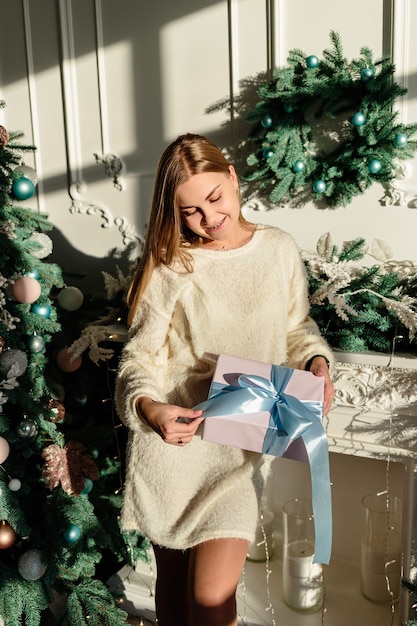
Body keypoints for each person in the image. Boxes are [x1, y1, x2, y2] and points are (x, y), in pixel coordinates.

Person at [115, 133, 335, 626]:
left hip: (240, 446)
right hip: (176, 446)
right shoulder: (173, 263)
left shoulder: (277, 250)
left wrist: (316, 364)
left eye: (214, 197)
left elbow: (296, 330)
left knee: (212, 601)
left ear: (233, 177)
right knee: (172, 596)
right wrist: (149, 409)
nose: (208, 218)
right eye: (189, 211)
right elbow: (140, 360)